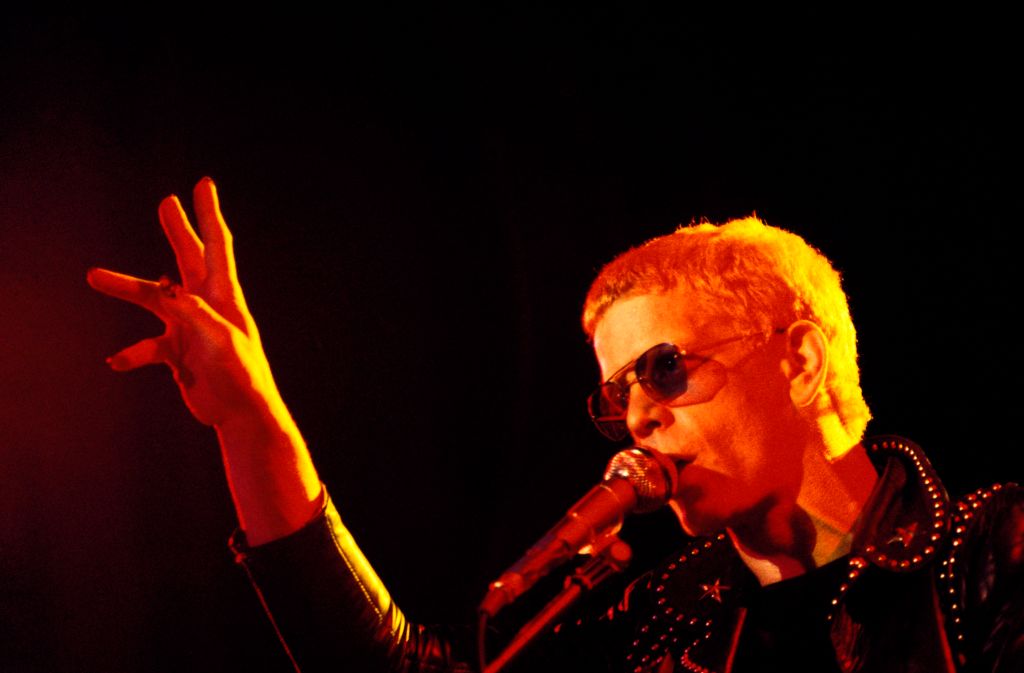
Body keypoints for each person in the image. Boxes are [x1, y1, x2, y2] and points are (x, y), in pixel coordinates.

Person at [88, 178, 1023, 672]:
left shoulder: (990, 552)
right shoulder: (660, 618)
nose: (640, 415)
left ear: (802, 359)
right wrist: (254, 421)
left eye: (665, 368)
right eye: (618, 393)